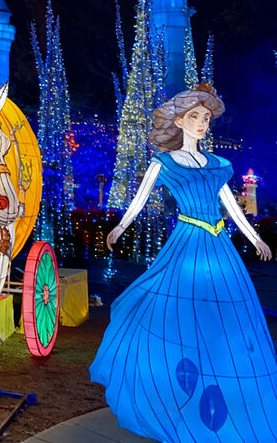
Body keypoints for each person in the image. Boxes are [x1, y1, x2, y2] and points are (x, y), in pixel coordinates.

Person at [90, 84, 277, 442]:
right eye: (195, 116)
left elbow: (231, 206)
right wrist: (120, 226)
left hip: (218, 244)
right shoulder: (164, 163)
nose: (202, 123)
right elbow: (140, 200)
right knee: (177, 311)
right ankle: (180, 392)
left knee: (225, 316)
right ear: (179, 120)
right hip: (189, 242)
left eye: (206, 118)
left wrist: (254, 238)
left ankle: (224, 388)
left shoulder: (218, 165)